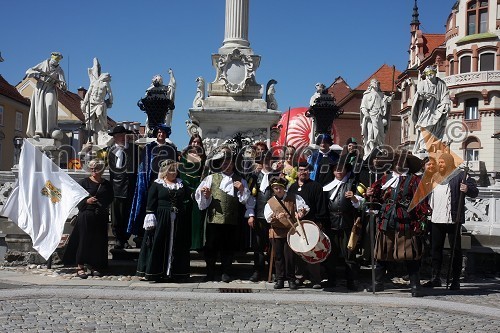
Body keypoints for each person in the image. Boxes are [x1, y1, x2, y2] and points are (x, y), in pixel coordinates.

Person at [365, 151, 428, 297]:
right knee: (382, 253)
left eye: (403, 162)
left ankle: (415, 285)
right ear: (393, 164)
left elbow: (421, 201)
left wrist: (419, 220)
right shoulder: (385, 179)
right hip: (386, 220)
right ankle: (378, 283)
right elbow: (375, 197)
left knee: (410, 254)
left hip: (406, 222)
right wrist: (370, 193)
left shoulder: (414, 180)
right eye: (397, 162)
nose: (399, 164)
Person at [195, 148, 251, 282]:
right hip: (214, 219)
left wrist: (242, 190)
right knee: (211, 247)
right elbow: (200, 198)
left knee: (228, 248)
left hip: (231, 220)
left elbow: (245, 200)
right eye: (224, 163)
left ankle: (226, 272)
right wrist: (206, 195)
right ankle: (210, 272)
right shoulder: (210, 178)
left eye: (230, 163)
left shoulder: (240, 180)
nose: (227, 165)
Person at [424, 153, 478, 290]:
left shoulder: (460, 176)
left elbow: (474, 190)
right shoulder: (433, 177)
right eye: (439, 162)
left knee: (455, 250)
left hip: (453, 218)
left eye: (443, 162)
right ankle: (435, 278)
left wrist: (467, 189)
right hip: (436, 218)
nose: (440, 165)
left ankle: (455, 279)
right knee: (435, 250)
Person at [136, 160, 191, 282]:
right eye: (171, 170)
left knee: (177, 244)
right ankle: (156, 272)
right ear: (165, 172)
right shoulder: (157, 184)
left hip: (178, 219)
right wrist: (150, 214)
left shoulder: (182, 184)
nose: (174, 173)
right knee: (158, 243)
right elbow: (151, 201)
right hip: (161, 218)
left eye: (175, 170)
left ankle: (175, 272)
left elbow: (189, 197)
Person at [128, 124, 178, 244]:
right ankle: (144, 234)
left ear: (166, 134)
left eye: (163, 132)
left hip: (165, 182)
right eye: (159, 132)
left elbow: (174, 166)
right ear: (156, 134)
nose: (161, 134)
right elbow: (143, 165)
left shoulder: (171, 149)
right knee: (149, 205)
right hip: (151, 181)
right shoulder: (149, 147)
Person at [322, 156, 362, 291]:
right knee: (331, 253)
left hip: (347, 223)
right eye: (336, 169)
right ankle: (331, 279)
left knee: (349, 253)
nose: (339, 171)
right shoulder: (327, 187)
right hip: (331, 223)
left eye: (341, 169)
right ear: (333, 171)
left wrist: (354, 198)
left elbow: (361, 205)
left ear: (346, 170)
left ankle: (351, 281)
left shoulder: (353, 185)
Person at [287, 161, 329, 289]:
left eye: (305, 170)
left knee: (312, 252)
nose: (303, 172)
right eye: (300, 170)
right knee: (299, 250)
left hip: (312, 223)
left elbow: (320, 205)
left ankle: (316, 279)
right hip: (297, 225)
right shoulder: (292, 187)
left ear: (309, 171)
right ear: (297, 172)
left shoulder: (316, 186)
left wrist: (319, 222)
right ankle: (299, 277)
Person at [264, 176, 309, 289]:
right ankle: (279, 279)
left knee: (290, 257)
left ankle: (291, 279)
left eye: (280, 188)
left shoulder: (294, 197)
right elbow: (268, 218)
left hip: (291, 232)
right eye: (275, 188)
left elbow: (305, 207)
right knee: (279, 257)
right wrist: (276, 216)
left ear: (284, 188)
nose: (278, 190)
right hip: (277, 232)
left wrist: (300, 213)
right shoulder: (270, 202)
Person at [72, 159, 113, 278]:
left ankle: (95, 265)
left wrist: (102, 203)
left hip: (100, 215)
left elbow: (110, 197)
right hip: (86, 214)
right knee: (84, 240)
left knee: (98, 241)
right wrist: (87, 201)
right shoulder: (84, 183)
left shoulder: (106, 184)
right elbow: (76, 198)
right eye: (92, 169)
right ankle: (80, 266)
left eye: (96, 169)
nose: (94, 171)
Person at [246, 152, 280, 282]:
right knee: (258, 246)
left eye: (269, 159)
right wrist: (251, 214)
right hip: (259, 216)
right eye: (264, 160)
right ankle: (258, 271)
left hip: (274, 217)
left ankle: (275, 271)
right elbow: (251, 197)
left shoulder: (277, 176)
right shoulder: (254, 177)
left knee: (274, 245)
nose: (267, 162)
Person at [107, 125, 139, 249]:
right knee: (116, 215)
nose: (122, 138)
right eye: (119, 136)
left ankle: (125, 238)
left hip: (130, 186)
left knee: (128, 213)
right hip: (116, 186)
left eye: (123, 135)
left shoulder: (134, 149)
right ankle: (118, 238)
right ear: (115, 138)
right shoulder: (110, 151)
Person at [25, 52, 67, 138]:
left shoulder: (59, 70)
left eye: (56, 61)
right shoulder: (43, 64)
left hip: (51, 88)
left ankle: (51, 130)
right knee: (40, 109)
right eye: (53, 60)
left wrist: (62, 85)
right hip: (40, 88)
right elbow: (28, 71)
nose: (54, 62)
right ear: (51, 58)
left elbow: (63, 84)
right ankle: (39, 132)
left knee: (50, 105)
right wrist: (37, 73)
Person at [411, 66, 451, 154]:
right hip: (426, 109)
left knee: (436, 128)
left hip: (437, 109)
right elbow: (418, 95)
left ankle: (433, 146)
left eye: (431, 74)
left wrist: (446, 104)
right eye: (427, 74)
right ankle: (423, 147)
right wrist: (423, 96)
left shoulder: (441, 83)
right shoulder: (423, 83)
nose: (429, 76)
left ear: (435, 73)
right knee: (424, 126)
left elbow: (445, 95)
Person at [179, 134, 207, 250]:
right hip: (185, 189)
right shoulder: (183, 156)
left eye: (198, 142)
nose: (195, 144)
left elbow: (204, 176)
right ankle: (183, 242)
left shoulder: (204, 159)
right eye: (194, 142)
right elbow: (181, 172)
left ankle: (195, 243)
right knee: (184, 217)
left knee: (196, 218)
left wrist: (198, 189)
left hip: (197, 190)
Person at [81, 58, 113, 145]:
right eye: (107, 77)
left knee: (99, 114)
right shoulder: (94, 83)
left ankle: (104, 128)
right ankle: (91, 139)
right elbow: (88, 93)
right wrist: (84, 103)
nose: (108, 78)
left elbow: (110, 94)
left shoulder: (106, 84)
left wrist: (111, 101)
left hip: (100, 103)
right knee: (90, 123)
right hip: (91, 103)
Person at [360, 78, 393, 159]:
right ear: (371, 85)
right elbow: (363, 107)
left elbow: (388, 100)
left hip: (379, 117)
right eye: (374, 82)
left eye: (377, 83)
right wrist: (366, 114)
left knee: (381, 133)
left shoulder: (381, 94)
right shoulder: (366, 95)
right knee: (370, 134)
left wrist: (392, 97)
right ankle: (371, 150)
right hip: (370, 117)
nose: (376, 84)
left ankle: (380, 148)